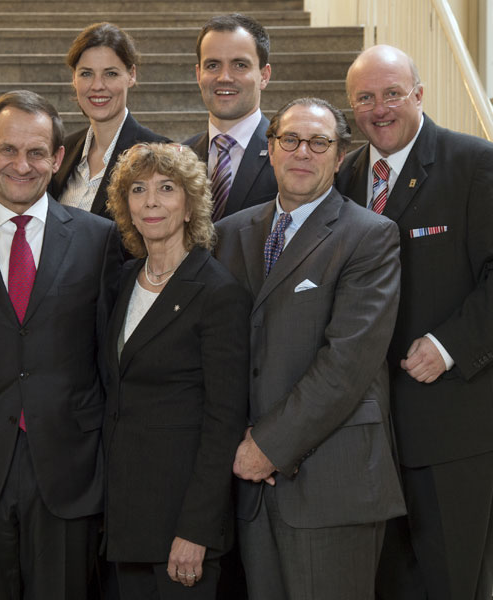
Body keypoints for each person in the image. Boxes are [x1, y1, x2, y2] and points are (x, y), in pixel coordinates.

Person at [0, 90, 121, 599]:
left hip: (69, 472)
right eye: (8, 149)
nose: (21, 165)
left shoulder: (100, 240)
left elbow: (108, 365)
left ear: (57, 159)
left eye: (37, 153)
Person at [215, 97, 405, 600]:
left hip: (332, 483)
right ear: (270, 150)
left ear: (339, 156)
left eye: (319, 142)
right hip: (249, 488)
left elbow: (347, 363)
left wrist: (267, 447)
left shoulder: (370, 236)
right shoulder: (229, 234)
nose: (303, 151)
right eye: (290, 140)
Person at [336, 45, 493, 600]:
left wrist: (451, 345)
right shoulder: (346, 174)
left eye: (393, 94)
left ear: (419, 95)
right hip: (368, 438)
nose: (380, 108)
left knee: (452, 581)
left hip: (449, 427)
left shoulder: (473, 162)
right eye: (365, 97)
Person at [102, 142, 250, 598]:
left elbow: (224, 421)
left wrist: (196, 530)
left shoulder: (217, 291)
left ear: (190, 206)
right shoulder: (125, 279)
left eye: (167, 189)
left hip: (181, 528)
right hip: (126, 519)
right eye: (139, 190)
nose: (151, 201)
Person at [50, 22, 169, 218]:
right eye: (86, 73)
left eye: (110, 74)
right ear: (74, 78)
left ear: (131, 75)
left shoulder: (159, 153)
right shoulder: (63, 150)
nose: (97, 86)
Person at [184, 14, 278, 221]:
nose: (224, 77)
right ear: (199, 75)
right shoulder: (181, 156)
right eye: (213, 65)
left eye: (240, 65)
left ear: (264, 75)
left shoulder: (288, 153)